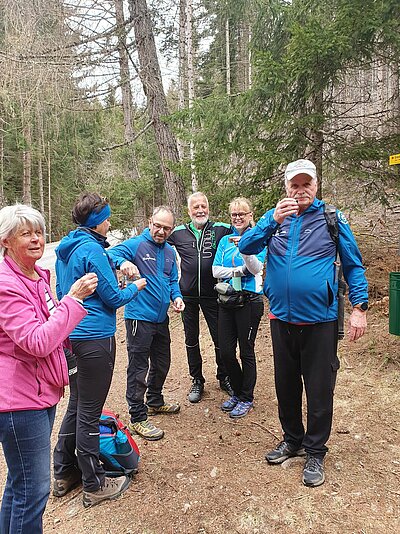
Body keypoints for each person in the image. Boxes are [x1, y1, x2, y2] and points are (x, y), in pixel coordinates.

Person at [239, 159, 368, 487]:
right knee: (286, 384)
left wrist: (359, 308)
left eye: (305, 184)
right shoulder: (275, 218)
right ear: (286, 188)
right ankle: (292, 439)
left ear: (315, 185)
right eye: (294, 185)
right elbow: (246, 246)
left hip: (320, 322)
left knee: (319, 388)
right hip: (281, 318)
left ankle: (315, 451)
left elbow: (353, 265)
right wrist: (271, 221)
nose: (300, 191)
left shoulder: (331, 218)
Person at [0, 204, 97, 533]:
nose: (35, 239)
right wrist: (74, 299)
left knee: (19, 484)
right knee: (34, 489)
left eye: (38, 232)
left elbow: (52, 327)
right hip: (19, 400)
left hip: (41, 391)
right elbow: (37, 341)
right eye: (25, 233)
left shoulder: (37, 276)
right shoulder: (6, 286)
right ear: (6, 241)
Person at [53, 193, 146, 508]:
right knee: (89, 413)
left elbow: (60, 294)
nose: (109, 222)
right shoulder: (92, 249)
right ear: (97, 221)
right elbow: (114, 298)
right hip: (95, 340)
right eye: (106, 217)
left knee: (78, 405)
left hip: (72, 337)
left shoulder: (65, 250)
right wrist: (135, 287)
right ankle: (94, 483)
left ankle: (63, 472)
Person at [108, 206, 184, 441]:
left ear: (172, 228)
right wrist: (122, 263)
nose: (161, 231)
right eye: (158, 226)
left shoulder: (170, 251)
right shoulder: (136, 244)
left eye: (166, 228)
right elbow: (108, 254)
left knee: (162, 363)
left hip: (161, 319)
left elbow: (171, 279)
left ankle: (155, 400)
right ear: (150, 222)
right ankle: (138, 417)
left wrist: (177, 296)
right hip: (138, 317)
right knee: (138, 368)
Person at [168, 192, 233, 403]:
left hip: (213, 294)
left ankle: (224, 377)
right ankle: (197, 379)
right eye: (195, 207)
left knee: (219, 338)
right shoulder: (178, 232)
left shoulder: (221, 229)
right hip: (187, 295)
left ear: (208, 207)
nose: (200, 210)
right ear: (189, 211)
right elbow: (153, 237)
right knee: (191, 339)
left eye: (203, 206)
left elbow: (244, 233)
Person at [212, 198, 266, 419]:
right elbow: (215, 270)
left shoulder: (258, 239)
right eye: (234, 214)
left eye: (241, 214)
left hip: (249, 302)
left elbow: (256, 268)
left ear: (250, 215)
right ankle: (236, 390)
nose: (237, 218)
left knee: (246, 350)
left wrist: (243, 248)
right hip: (227, 301)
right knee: (225, 351)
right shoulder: (224, 240)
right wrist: (237, 271)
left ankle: (246, 397)